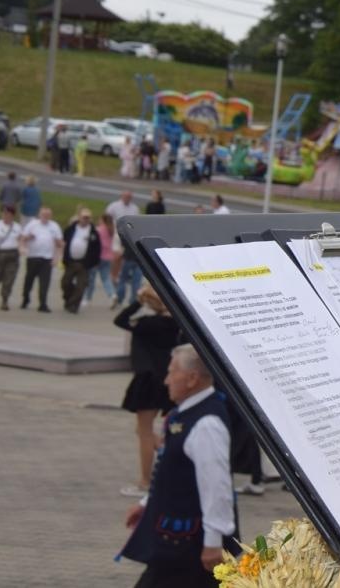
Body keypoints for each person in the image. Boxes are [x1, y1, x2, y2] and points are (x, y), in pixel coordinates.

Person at [120, 344, 238, 586]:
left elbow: (216, 485)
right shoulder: (185, 413)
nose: (166, 380)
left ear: (192, 378)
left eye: (172, 372)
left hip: (189, 544)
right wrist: (146, 503)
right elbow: (172, 472)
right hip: (179, 545)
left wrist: (213, 542)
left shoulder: (207, 424)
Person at [115, 285, 182, 498]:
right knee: (147, 430)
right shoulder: (174, 324)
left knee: (144, 432)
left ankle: (145, 481)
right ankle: (168, 460)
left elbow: (120, 320)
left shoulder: (144, 324)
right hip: (166, 380)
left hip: (146, 379)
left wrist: (139, 301)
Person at [19, 205, 62, 312]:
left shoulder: (54, 226)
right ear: (39, 215)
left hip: (47, 258)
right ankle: (25, 299)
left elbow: (59, 243)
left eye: (48, 215)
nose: (45, 217)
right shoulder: (32, 224)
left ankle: (43, 303)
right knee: (29, 280)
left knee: (45, 282)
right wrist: (24, 245)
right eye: (43, 215)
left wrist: (57, 258)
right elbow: (23, 238)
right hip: (33, 257)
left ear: (50, 216)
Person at [60, 207, 102, 313]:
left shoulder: (93, 233)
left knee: (81, 286)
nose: (86, 220)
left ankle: (73, 305)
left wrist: (93, 263)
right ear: (79, 217)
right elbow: (64, 242)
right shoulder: (71, 229)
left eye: (88, 218)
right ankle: (68, 298)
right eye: (84, 217)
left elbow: (97, 249)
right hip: (71, 262)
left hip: (84, 264)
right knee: (65, 283)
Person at [86, 213, 120, 306]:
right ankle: (112, 295)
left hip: (97, 257)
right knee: (106, 278)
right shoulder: (111, 229)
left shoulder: (99, 229)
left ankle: (87, 297)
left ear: (102, 220)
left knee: (91, 278)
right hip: (108, 257)